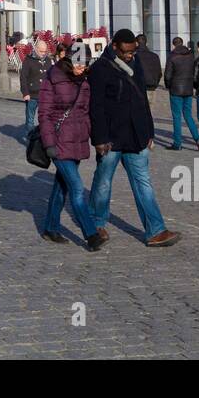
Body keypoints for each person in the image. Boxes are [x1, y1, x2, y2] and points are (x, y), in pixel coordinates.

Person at [88, 29, 180, 248]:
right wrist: (99, 138)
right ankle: (95, 224)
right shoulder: (100, 68)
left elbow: (142, 100)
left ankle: (155, 231)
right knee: (103, 183)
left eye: (132, 51)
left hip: (136, 135)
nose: (130, 55)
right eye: (126, 52)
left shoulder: (136, 63)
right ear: (115, 46)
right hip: (110, 137)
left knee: (143, 183)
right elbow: (96, 107)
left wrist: (149, 131)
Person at [38, 53, 105, 250]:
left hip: (77, 141)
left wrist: (96, 138)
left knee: (62, 186)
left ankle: (50, 228)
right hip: (58, 143)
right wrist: (49, 143)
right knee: (76, 187)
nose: (82, 68)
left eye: (85, 64)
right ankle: (91, 234)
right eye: (78, 63)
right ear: (69, 60)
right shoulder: (53, 78)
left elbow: (86, 112)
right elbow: (45, 113)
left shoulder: (84, 81)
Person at [163, 37, 199, 151]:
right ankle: (198, 139)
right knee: (188, 115)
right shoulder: (191, 56)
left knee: (177, 117)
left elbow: (167, 75)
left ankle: (177, 143)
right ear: (182, 44)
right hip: (188, 89)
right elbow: (194, 72)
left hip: (176, 89)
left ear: (173, 45)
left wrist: (168, 86)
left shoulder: (172, 56)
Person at [20, 39, 52, 132]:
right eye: (41, 51)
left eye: (45, 51)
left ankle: (43, 138)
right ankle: (30, 140)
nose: (43, 53)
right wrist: (25, 93)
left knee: (45, 119)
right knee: (30, 120)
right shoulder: (28, 60)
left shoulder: (48, 60)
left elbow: (52, 77)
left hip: (45, 95)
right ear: (36, 49)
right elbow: (23, 78)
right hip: (32, 95)